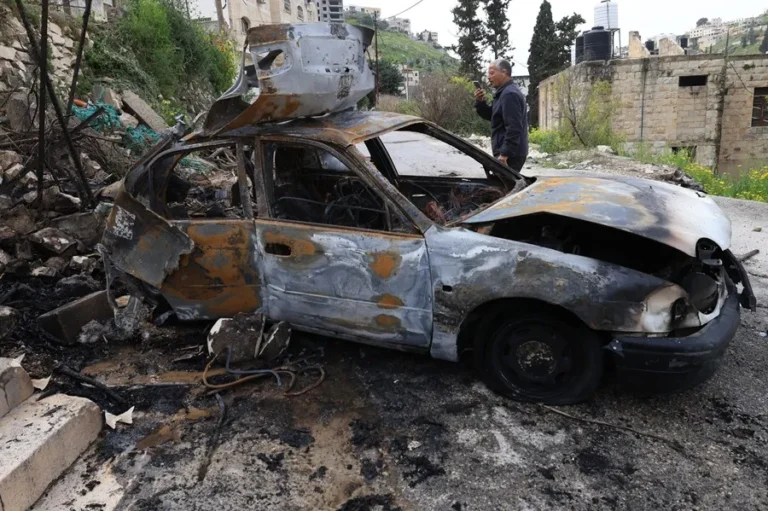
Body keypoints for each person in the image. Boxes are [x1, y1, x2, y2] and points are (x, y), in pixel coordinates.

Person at [474, 59, 529, 171]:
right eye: (488, 73)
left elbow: (514, 128)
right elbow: (493, 117)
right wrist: (480, 102)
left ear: (503, 73)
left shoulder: (509, 94)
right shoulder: (503, 93)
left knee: (505, 187)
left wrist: (504, 155)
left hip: (511, 155)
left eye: (492, 73)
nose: (489, 77)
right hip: (507, 152)